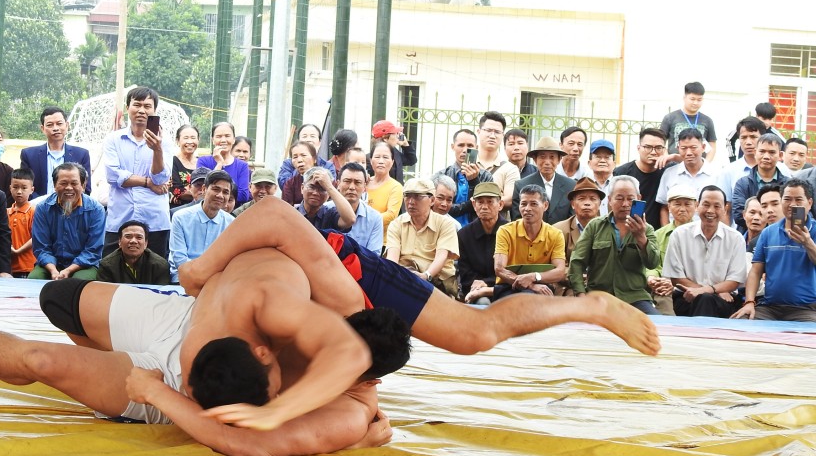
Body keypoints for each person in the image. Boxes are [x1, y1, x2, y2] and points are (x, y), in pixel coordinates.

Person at [0, 270, 398, 456]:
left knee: (38, 359)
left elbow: (246, 444)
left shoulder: (350, 411)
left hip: (177, 393)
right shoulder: (318, 316)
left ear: (367, 378)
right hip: (184, 327)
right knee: (57, 300)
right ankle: (99, 360)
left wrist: (154, 391)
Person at [180, 199, 662, 363]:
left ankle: (588, 306)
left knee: (472, 334)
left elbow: (273, 212)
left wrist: (200, 267)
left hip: (342, 273)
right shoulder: (222, 347)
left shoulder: (330, 300)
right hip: (313, 296)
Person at [568, 176, 666, 314]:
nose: (625, 204)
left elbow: (652, 263)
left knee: (656, 325)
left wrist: (641, 237)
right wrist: (581, 295)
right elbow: (577, 262)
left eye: (631, 199)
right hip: (599, 296)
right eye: (619, 198)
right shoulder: (595, 226)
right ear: (609, 200)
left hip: (635, 297)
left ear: (639, 198)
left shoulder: (646, 229)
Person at [102, 87, 173, 259]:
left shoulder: (164, 142)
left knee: (155, 272)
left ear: (154, 111)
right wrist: (147, 183)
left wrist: (157, 150)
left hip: (154, 219)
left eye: (147, 106)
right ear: (128, 108)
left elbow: (161, 178)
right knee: (112, 272)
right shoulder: (113, 139)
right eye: (137, 105)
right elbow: (113, 176)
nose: (142, 110)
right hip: (120, 217)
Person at [732, 179, 816, 322]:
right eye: (787, 199)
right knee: (741, 321)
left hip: (806, 308)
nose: (792, 204)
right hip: (770, 307)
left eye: (798, 199)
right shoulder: (768, 233)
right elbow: (756, 271)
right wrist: (749, 302)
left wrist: (808, 243)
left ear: (809, 203)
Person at [662, 186, 747, 318]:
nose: (710, 210)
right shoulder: (679, 234)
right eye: (706, 204)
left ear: (725, 209)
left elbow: (735, 280)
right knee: (705, 299)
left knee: (706, 299)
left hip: (725, 299)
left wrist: (708, 291)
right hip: (686, 296)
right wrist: (711, 291)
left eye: (717, 206)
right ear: (697, 206)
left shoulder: (735, 238)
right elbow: (676, 277)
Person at [30, 163, 105, 280]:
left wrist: (69, 270)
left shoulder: (96, 210)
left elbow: (93, 250)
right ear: (55, 185)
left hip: (84, 265)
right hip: (50, 265)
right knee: (34, 279)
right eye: (63, 183)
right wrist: (53, 270)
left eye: (74, 183)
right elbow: (41, 247)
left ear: (83, 185)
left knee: (77, 283)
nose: (69, 188)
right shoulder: (43, 208)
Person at [385, 178, 459, 297]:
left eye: (418, 197)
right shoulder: (396, 224)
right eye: (407, 196)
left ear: (432, 200)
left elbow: (441, 256)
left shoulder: (445, 224)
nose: (411, 202)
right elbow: (392, 260)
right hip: (404, 277)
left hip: (435, 281)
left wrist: (426, 275)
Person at [493, 185, 566, 300]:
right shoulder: (505, 231)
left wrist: (534, 277)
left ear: (545, 205)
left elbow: (560, 271)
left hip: (542, 286)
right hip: (508, 286)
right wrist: (531, 285)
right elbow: (499, 269)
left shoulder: (555, 234)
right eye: (523, 204)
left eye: (533, 204)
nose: (527, 208)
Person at [168, 170, 236, 281]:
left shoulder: (231, 223)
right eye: (216, 189)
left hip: (215, 280)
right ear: (204, 189)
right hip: (184, 277)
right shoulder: (180, 217)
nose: (220, 196)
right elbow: (179, 259)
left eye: (225, 192)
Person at [19, 106, 92, 198]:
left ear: (67, 125)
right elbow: (24, 187)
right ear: (42, 128)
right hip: (38, 208)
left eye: (59, 123)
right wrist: (42, 204)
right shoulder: (29, 155)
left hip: (71, 208)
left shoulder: (81, 154)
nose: (55, 128)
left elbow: (86, 189)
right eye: (50, 125)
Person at [456, 182, 506, 304]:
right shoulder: (464, 234)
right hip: (475, 289)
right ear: (474, 204)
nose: (484, 206)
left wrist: (487, 282)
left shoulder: (510, 231)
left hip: (504, 288)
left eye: (490, 202)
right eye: (480, 202)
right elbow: (464, 271)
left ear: (500, 204)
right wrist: (478, 284)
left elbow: (513, 269)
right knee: (483, 302)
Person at [656, 128, 718, 225]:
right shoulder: (669, 174)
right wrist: (667, 233)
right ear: (678, 148)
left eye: (693, 148)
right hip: (676, 232)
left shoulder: (717, 174)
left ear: (703, 147)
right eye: (684, 148)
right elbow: (664, 208)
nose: (689, 153)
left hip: (706, 232)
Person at [319, 161, 383, 251]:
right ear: (338, 184)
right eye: (347, 181)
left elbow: (374, 255)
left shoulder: (375, 218)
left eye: (357, 182)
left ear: (364, 187)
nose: (352, 187)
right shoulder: (324, 209)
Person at [511, 137, 575, 224]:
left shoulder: (571, 186)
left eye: (552, 157)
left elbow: (572, 219)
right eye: (542, 157)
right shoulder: (521, 185)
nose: (547, 162)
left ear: (559, 160)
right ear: (535, 159)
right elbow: (517, 220)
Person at [613, 128, 667, 229]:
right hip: (627, 230)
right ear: (638, 148)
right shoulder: (622, 172)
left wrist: (673, 157)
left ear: (664, 150)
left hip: (657, 233)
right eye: (648, 147)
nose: (653, 152)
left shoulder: (667, 172)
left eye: (659, 148)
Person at [731, 133, 788, 229]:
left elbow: (793, 211)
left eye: (772, 152)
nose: (766, 156)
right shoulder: (743, 184)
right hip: (750, 237)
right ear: (755, 152)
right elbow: (739, 214)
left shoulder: (788, 185)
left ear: (780, 155)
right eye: (762, 151)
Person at [439, 128, 494, 227]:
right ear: (453, 147)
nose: (465, 150)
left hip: (476, 231)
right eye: (460, 145)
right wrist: (470, 204)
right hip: (447, 229)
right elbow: (439, 207)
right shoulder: (442, 175)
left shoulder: (486, 176)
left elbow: (487, 206)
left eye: (470, 146)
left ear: (476, 148)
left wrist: (474, 181)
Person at [552, 176, 605, 267]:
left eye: (592, 199)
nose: (587, 203)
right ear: (572, 204)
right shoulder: (558, 230)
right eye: (581, 199)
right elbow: (558, 267)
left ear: (599, 204)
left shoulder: (608, 227)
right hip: (570, 279)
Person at [659, 82, 718, 162]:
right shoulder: (670, 118)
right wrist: (667, 158)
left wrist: (706, 164)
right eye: (692, 99)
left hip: (698, 167)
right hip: (675, 165)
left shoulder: (707, 120)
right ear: (684, 98)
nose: (695, 103)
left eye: (699, 100)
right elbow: (660, 142)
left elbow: (712, 145)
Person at [98, 220, 171, 285]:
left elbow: (162, 296)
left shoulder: (160, 266)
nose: (133, 241)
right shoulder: (106, 265)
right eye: (128, 236)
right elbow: (104, 294)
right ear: (119, 242)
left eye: (139, 237)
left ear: (146, 243)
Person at [196, 122, 250, 206]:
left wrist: (217, 194)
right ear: (213, 140)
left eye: (227, 136)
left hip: (233, 213)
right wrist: (219, 163)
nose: (223, 140)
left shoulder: (242, 165)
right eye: (219, 136)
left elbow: (243, 195)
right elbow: (203, 190)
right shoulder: (203, 161)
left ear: (233, 139)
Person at [474, 111, 519, 213]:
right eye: (488, 130)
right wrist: (496, 198)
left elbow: (510, 199)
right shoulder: (468, 163)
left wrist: (478, 202)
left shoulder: (510, 168)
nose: (492, 136)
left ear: (503, 135)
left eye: (497, 132)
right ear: (479, 131)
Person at [366, 141, 403, 239]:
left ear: (392, 162)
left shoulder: (396, 187)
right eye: (377, 157)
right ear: (371, 160)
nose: (381, 161)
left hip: (382, 241)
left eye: (386, 157)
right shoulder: (363, 183)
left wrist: (363, 221)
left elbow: (391, 215)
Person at [653, 184, 698, 262]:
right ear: (669, 207)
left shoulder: (703, 234)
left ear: (696, 206)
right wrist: (652, 274)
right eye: (677, 204)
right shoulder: (658, 235)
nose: (682, 209)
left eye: (687, 204)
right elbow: (654, 265)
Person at [8, 167, 37, 277]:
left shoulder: (34, 211)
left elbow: (35, 237)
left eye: (24, 188)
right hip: (9, 266)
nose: (19, 191)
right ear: (10, 188)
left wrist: (18, 251)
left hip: (28, 265)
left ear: (32, 190)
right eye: (15, 187)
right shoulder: (6, 212)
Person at [170, 124, 200, 211]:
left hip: (202, 209)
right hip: (178, 210)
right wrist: (202, 194)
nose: (190, 141)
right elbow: (176, 190)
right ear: (177, 141)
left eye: (193, 138)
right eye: (186, 138)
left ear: (198, 140)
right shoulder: (172, 161)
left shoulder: (202, 162)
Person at [280, 140, 317, 206]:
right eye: (295, 157)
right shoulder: (290, 184)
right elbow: (286, 209)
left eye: (303, 155)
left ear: (314, 159)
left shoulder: (326, 179)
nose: (299, 160)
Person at [586, 139, 616, 214]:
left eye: (607, 157)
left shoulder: (620, 185)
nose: (602, 160)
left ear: (614, 164)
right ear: (589, 163)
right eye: (598, 157)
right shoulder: (583, 185)